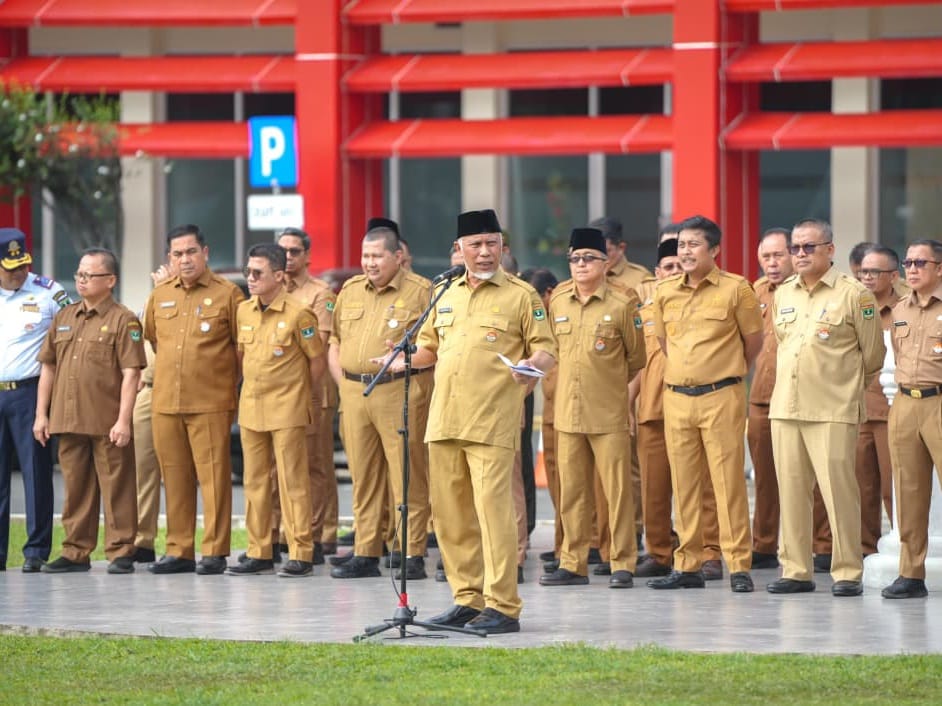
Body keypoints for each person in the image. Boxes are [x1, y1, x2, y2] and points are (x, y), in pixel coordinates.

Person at [384, 208, 556, 634]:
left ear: (502, 248)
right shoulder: (444, 293)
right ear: (459, 249)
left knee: (493, 512)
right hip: (444, 419)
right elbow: (428, 348)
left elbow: (546, 350)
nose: (484, 252)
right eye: (475, 245)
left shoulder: (521, 295)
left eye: (492, 244)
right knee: (451, 515)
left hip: (492, 419)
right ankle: (466, 598)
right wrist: (400, 358)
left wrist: (530, 367)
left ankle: (503, 605)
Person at [767, 218, 885, 597]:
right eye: (795, 248)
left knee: (838, 491)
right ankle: (796, 569)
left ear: (830, 250)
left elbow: (873, 355)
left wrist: (842, 387)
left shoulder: (855, 294)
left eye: (809, 247)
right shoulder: (783, 292)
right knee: (792, 491)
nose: (800, 254)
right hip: (786, 406)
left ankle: (848, 570)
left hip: (832, 407)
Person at [648, 214, 763, 593]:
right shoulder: (664, 291)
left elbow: (753, 342)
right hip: (678, 397)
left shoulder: (736, 289)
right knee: (685, 485)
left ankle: (739, 565)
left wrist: (726, 372)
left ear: (714, 250)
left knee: (728, 483)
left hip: (721, 395)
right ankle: (688, 565)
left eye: (693, 244)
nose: (685, 251)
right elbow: (665, 344)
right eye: (681, 245)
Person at [539, 227, 645, 588]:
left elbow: (636, 357)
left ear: (605, 262)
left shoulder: (622, 302)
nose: (581, 265)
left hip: (608, 413)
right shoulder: (559, 301)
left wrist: (608, 385)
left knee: (616, 492)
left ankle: (622, 563)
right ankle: (573, 562)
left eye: (588, 258)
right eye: (574, 259)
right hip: (568, 413)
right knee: (572, 493)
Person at [327, 223, 433, 580]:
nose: (369, 263)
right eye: (365, 256)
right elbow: (336, 339)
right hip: (355, 392)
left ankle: (410, 551)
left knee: (407, 473)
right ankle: (366, 550)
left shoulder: (421, 291)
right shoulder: (351, 290)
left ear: (398, 257)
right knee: (363, 475)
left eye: (377, 256)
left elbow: (433, 345)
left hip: (398, 389)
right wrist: (343, 382)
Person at [34, 248, 146, 573]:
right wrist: (42, 414)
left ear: (110, 280)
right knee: (75, 488)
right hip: (68, 420)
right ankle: (75, 551)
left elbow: (131, 373)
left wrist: (124, 420)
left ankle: (121, 550)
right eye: (79, 274)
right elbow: (49, 368)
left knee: (117, 487)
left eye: (89, 275)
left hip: (107, 421)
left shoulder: (124, 320)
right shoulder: (65, 317)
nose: (81, 280)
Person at [144, 224, 244, 575]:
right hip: (167, 401)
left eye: (190, 252)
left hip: (211, 401)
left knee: (215, 478)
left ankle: (214, 550)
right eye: (177, 254)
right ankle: (179, 549)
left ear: (205, 252)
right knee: (174, 477)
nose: (184, 260)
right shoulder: (159, 295)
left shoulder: (228, 294)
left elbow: (240, 349)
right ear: (168, 258)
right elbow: (156, 341)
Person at [227, 244, 324, 577]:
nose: (250, 279)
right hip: (253, 406)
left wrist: (301, 395)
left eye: (258, 273)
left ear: (279, 276)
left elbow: (317, 361)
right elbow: (242, 357)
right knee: (255, 483)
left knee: (292, 482)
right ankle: (259, 550)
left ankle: (301, 551)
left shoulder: (300, 314)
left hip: (287, 408)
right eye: (248, 272)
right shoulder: (244, 311)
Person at [631, 232, 723, 578]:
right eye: (667, 266)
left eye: (677, 265)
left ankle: (709, 551)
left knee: (702, 486)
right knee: (654, 487)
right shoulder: (644, 310)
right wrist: (630, 401)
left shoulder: (699, 304)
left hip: (694, 403)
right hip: (653, 408)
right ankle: (658, 552)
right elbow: (637, 361)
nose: (672, 271)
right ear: (656, 272)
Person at [0, 228, 69, 573]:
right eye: (10, 267)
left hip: (30, 392)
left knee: (35, 473)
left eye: (22, 264)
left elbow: (72, 335)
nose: (18, 273)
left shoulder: (49, 292)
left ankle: (36, 550)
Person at [882, 240, 942, 599]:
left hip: (940, 401)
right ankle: (911, 573)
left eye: (921, 262)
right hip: (906, 402)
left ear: (939, 268)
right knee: (908, 491)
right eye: (908, 262)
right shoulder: (899, 309)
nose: (912, 269)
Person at [275, 226, 338, 564]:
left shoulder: (319, 293)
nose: (287, 256)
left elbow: (320, 345)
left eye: (294, 251)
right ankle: (288, 531)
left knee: (315, 464)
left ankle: (320, 534)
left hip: (313, 390)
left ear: (307, 256)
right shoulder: (269, 289)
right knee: (281, 467)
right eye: (282, 250)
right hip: (277, 392)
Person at [855, 245, 900, 556]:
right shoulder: (853, 306)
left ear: (893, 276)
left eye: (875, 272)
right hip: (856, 410)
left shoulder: (904, 309)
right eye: (863, 271)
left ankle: (904, 550)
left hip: (891, 412)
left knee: (891, 489)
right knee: (861, 490)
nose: (867, 277)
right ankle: (864, 553)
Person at [131, 261, 176, 565]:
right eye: (173, 257)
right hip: (147, 388)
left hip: (179, 390)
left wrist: (166, 291)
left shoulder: (202, 297)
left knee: (177, 472)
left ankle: (179, 543)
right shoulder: (154, 297)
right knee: (142, 469)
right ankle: (141, 540)